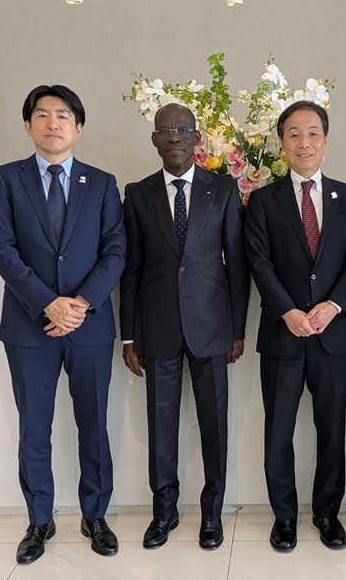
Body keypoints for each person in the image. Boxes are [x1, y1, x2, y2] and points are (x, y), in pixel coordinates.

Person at [0, 85, 126, 564]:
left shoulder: (102, 183)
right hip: (29, 328)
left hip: (89, 325)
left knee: (94, 426)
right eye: (42, 115)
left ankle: (95, 516)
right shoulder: (5, 179)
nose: (53, 123)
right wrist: (48, 304)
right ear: (28, 125)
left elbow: (115, 250)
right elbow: (2, 249)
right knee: (34, 429)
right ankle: (39, 520)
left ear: (78, 128)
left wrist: (79, 304)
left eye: (63, 115)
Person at [119, 103, 249, 551]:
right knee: (161, 428)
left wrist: (237, 329)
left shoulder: (223, 188)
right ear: (154, 140)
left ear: (197, 139)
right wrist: (129, 334)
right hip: (156, 328)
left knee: (215, 428)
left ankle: (212, 514)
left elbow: (237, 264)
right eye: (164, 130)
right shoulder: (137, 193)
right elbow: (131, 269)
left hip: (212, 327)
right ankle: (164, 512)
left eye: (182, 130)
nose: (173, 136)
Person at [244, 101, 346, 551]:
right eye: (294, 134)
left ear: (325, 139)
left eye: (313, 132)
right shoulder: (263, 200)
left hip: (333, 335)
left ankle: (327, 513)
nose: (304, 142)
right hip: (284, 333)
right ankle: (284, 516)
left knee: (331, 428)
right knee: (278, 431)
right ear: (282, 142)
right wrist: (288, 311)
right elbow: (258, 260)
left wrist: (333, 305)